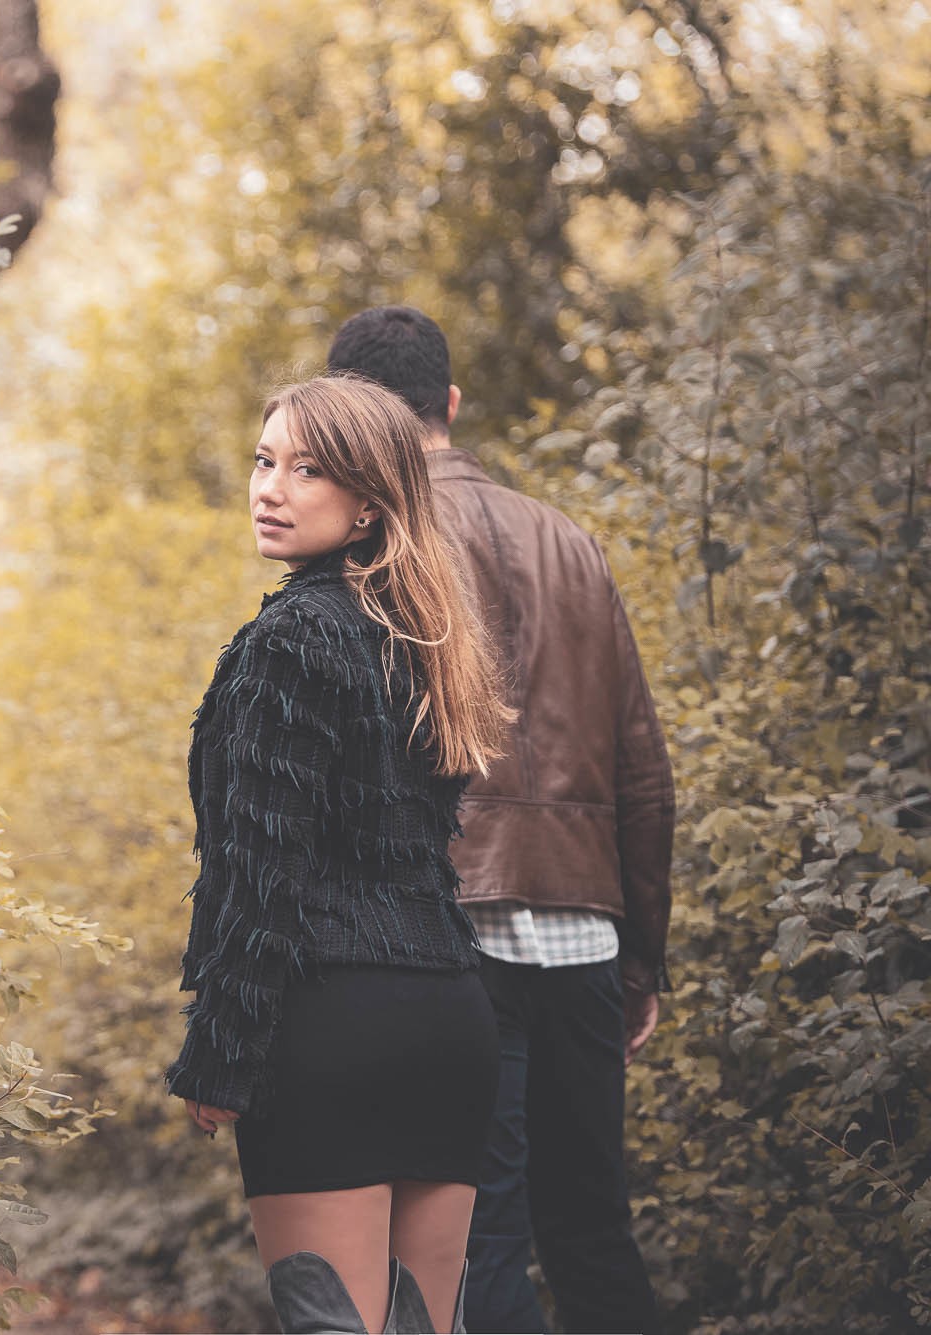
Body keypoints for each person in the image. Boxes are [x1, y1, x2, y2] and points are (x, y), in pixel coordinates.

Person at [326, 305, 674, 1335]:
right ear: (450, 401)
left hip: (448, 940)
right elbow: (644, 772)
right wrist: (641, 957)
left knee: (474, 1243)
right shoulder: (570, 542)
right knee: (593, 1234)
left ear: (348, 417)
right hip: (583, 937)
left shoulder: (373, 546)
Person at [165, 374, 515, 1335]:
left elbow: (262, 875)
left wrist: (218, 1055)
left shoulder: (287, 641)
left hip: (332, 1030)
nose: (269, 488)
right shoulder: (425, 639)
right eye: (264, 460)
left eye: (307, 469)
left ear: (369, 503)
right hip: (450, 1025)